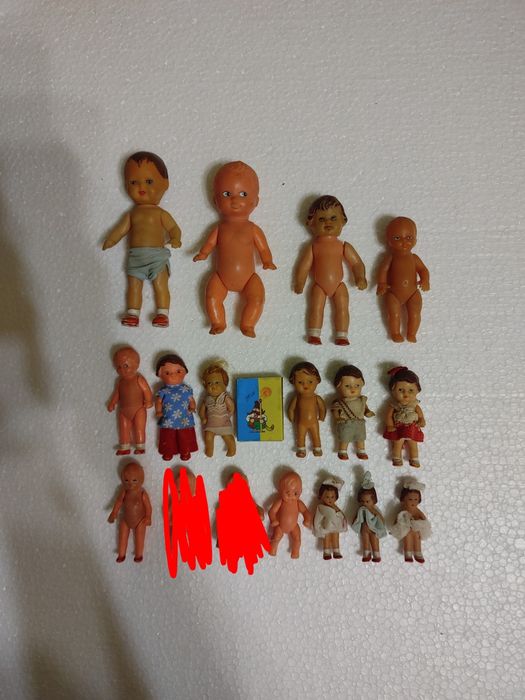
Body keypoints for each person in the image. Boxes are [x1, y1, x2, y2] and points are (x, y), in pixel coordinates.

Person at [103, 151, 182, 327]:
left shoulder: (160, 213)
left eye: (149, 181)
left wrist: (176, 238)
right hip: (136, 257)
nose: (141, 187)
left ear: (165, 184)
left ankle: (162, 313)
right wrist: (111, 240)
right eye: (133, 182)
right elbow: (120, 230)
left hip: (157, 257)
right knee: (133, 286)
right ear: (126, 185)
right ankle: (132, 313)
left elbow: (173, 228)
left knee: (161, 285)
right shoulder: (132, 214)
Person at [294, 195, 367, 345]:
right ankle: (314, 334)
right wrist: (300, 282)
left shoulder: (343, 246)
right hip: (319, 285)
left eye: (333, 218)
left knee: (342, 309)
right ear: (311, 223)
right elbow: (304, 266)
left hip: (339, 285)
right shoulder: (313, 247)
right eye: (321, 219)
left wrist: (360, 277)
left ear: (342, 221)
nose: (328, 222)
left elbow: (356, 263)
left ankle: (342, 335)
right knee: (316, 308)